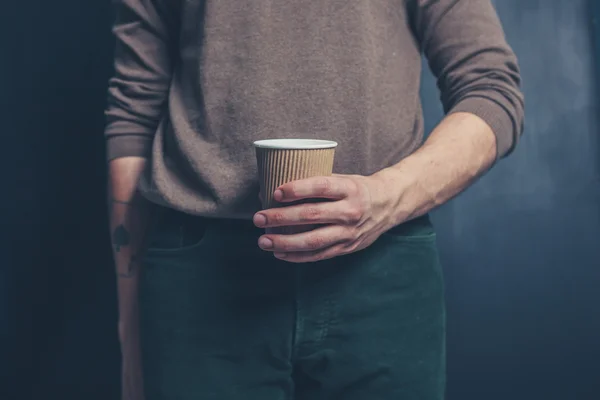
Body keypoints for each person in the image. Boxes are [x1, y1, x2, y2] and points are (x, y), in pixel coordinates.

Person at [106, 0, 524, 399]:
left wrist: (385, 198)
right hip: (199, 277)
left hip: (383, 267)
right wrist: (129, 332)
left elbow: (490, 88)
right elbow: (134, 114)